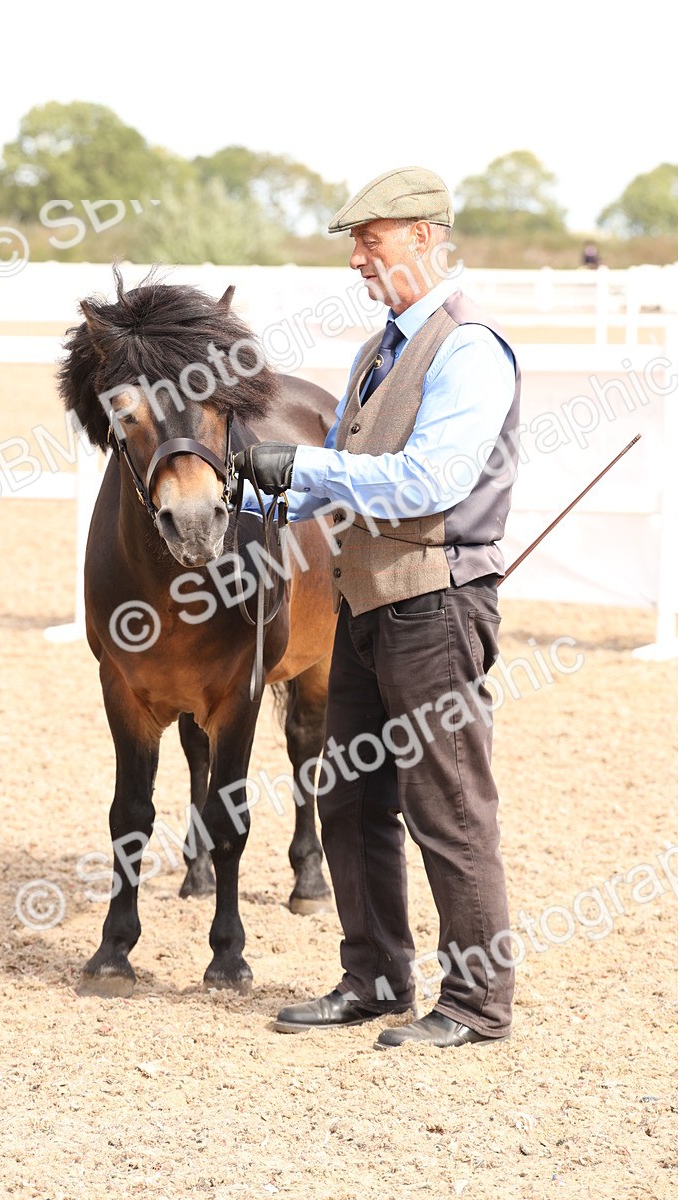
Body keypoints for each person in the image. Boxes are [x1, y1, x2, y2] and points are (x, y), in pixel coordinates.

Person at [233, 166, 521, 1049]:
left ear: (426, 236)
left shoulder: (469, 347)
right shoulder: (377, 352)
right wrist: (246, 500)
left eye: (372, 238)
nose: (359, 257)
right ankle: (375, 976)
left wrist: (305, 470)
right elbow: (338, 489)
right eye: (356, 242)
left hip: (435, 606)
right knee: (350, 797)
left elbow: (428, 480)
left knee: (447, 804)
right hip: (367, 603)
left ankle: (475, 1003)